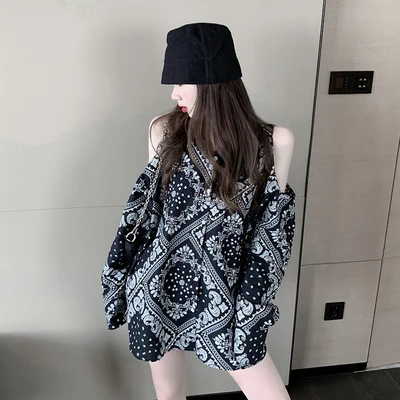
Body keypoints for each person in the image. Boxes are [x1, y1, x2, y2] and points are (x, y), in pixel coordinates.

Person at [101, 22, 296, 400]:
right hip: (158, 284)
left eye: (181, 81)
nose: (173, 93)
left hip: (228, 293)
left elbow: (271, 237)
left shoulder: (273, 142)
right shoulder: (163, 131)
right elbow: (149, 214)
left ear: (212, 81)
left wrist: (251, 307)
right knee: (169, 394)